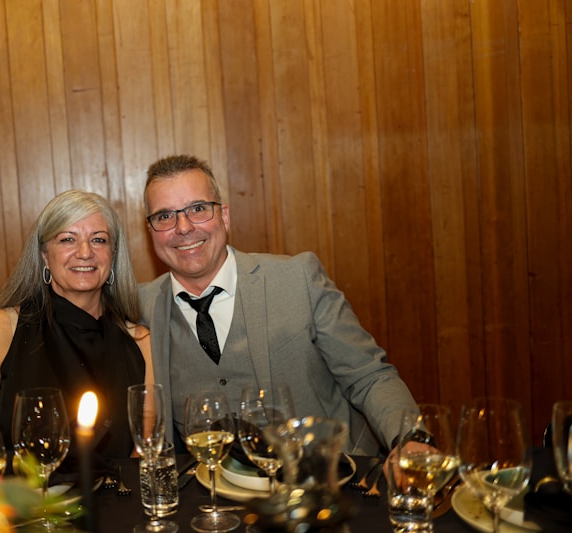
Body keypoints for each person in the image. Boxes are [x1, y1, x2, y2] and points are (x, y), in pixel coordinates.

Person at [139, 154, 418, 456]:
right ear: (151, 232)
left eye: (198, 209)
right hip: (210, 495)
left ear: (225, 217)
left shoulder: (298, 279)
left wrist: (411, 439)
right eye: (164, 216)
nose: (183, 227)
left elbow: (368, 376)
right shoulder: (140, 307)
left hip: (331, 480)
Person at [0, 190, 152, 471]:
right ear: (44, 256)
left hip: (116, 507)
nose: (85, 252)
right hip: (22, 506)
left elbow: (143, 453)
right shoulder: (1, 328)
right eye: (67, 239)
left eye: (98, 240)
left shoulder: (140, 341)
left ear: (113, 255)